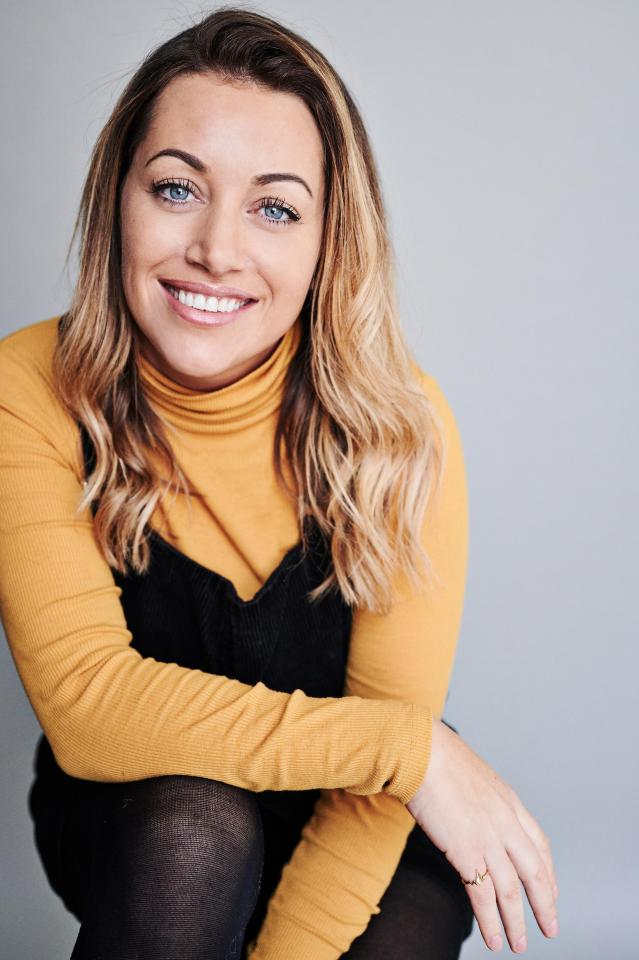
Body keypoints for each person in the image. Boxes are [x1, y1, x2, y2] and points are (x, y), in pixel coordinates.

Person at [0, 6, 559, 959]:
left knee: (413, 900)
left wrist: (399, 768)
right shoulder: (29, 387)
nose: (218, 249)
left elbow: (380, 779)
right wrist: (413, 750)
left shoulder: (400, 424)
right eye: (176, 190)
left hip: (356, 810)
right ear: (116, 202)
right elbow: (91, 708)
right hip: (142, 817)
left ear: (326, 239)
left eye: (274, 208)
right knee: (196, 826)